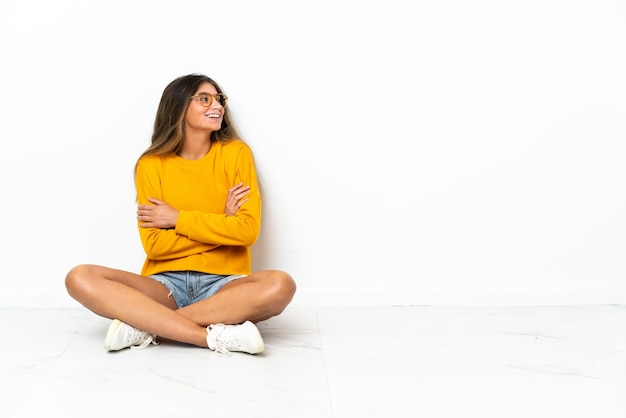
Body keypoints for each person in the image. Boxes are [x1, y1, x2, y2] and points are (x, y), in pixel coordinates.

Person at [65, 73, 296, 355]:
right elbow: (155, 247)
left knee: (280, 285)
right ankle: (210, 337)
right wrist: (223, 225)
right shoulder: (151, 165)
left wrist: (177, 219)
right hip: (164, 285)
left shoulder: (236, 154)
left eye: (219, 98)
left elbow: (247, 231)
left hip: (224, 286)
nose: (217, 105)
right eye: (204, 98)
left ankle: (146, 325)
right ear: (177, 107)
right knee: (79, 277)